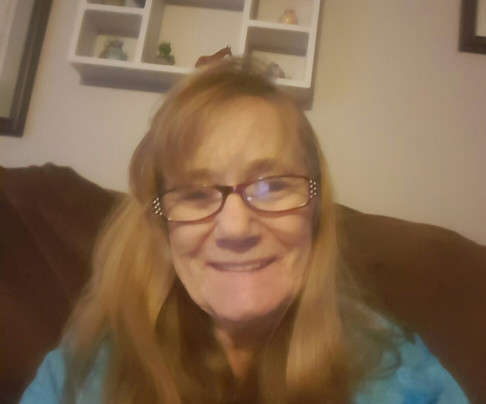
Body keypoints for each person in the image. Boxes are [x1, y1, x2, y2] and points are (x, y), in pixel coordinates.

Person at [20, 59, 469, 404]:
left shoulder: (405, 378)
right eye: (195, 193)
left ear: (315, 209)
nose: (235, 228)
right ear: (162, 227)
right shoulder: (78, 376)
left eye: (272, 185)